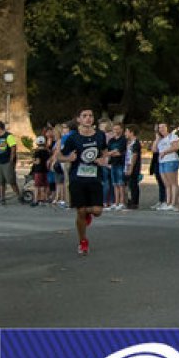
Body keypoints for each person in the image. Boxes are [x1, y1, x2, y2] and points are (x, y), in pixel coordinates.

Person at [58, 109, 109, 255]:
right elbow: (59, 156)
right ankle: (83, 241)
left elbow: (105, 151)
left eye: (91, 116)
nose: (88, 118)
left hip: (94, 177)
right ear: (79, 119)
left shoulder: (100, 135)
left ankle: (87, 214)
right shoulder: (72, 137)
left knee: (97, 211)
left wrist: (103, 159)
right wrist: (68, 159)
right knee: (80, 211)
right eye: (84, 116)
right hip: (77, 178)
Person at [0, 122, 20, 205]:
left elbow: (13, 148)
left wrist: (11, 160)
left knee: (11, 181)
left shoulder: (8, 136)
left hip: (7, 162)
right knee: (0, 182)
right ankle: (2, 198)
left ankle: (19, 196)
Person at [123, 125, 142, 210]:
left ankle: (135, 202)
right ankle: (129, 200)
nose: (125, 133)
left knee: (133, 184)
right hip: (127, 166)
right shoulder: (129, 142)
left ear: (132, 132)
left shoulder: (136, 143)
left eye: (127, 131)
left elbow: (134, 156)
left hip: (133, 167)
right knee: (128, 184)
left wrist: (131, 168)